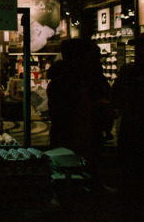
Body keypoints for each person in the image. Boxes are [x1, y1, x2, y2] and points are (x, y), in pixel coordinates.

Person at [47, 39, 111, 189]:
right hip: (72, 131)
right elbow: (66, 108)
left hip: (75, 130)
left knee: (73, 165)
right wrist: (96, 106)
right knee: (71, 164)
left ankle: (78, 189)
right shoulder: (69, 78)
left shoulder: (69, 76)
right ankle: (76, 192)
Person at [111, 31, 144, 220]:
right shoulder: (128, 72)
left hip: (138, 132)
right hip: (132, 134)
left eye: (143, 46)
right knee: (131, 181)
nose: (139, 50)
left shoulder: (129, 72)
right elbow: (117, 99)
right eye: (137, 47)